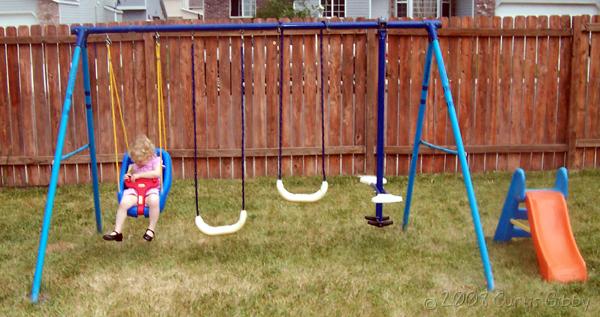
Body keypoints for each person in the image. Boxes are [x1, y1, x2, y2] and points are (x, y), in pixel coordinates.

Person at [103, 135, 162, 242]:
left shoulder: (156, 161)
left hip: (150, 190)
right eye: (135, 161)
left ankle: (151, 229)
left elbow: (157, 173)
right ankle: (117, 231)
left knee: (155, 200)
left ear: (149, 155)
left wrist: (140, 175)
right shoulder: (133, 166)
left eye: (140, 161)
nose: (137, 163)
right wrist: (128, 176)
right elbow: (128, 175)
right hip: (135, 191)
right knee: (124, 203)